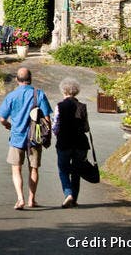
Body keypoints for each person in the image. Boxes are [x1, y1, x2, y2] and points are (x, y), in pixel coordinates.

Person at [0, 67, 52, 209]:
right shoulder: (38, 94)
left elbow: (2, 118)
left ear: (17, 80)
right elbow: (47, 118)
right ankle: (31, 200)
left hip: (17, 137)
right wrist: (48, 134)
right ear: (31, 79)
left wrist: (8, 125)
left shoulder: (11, 96)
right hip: (35, 137)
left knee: (16, 169)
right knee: (34, 169)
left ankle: (20, 199)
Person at [53, 76, 90, 208]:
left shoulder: (60, 106)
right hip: (80, 143)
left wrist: (57, 134)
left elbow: (55, 126)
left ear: (63, 91)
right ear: (76, 91)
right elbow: (86, 128)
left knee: (63, 169)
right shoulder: (82, 106)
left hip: (64, 142)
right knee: (76, 171)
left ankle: (68, 193)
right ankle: (74, 198)